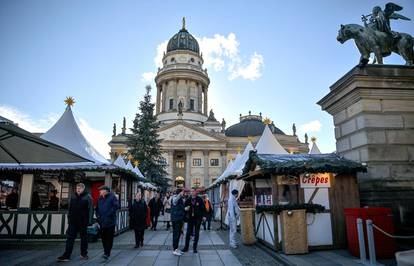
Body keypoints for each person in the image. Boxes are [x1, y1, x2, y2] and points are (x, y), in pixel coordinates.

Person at [57, 183, 93, 262]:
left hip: (83, 222)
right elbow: (70, 209)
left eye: (80, 188)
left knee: (84, 238)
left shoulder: (88, 197)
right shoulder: (73, 197)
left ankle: (84, 254)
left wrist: (89, 222)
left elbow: (90, 210)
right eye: (77, 188)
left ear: (83, 189)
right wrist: (69, 219)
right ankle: (66, 255)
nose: (78, 189)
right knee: (70, 238)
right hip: (73, 222)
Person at [96, 185, 119, 260]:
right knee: (103, 238)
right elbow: (97, 208)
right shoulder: (99, 199)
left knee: (109, 238)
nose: (99, 191)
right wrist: (98, 216)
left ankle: (107, 253)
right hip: (102, 222)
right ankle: (106, 251)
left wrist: (109, 213)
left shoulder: (112, 197)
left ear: (105, 191)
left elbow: (116, 206)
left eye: (101, 190)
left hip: (110, 222)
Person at [182, 189, 206, 254]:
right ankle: (186, 247)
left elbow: (203, 208)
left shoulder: (199, 199)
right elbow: (184, 208)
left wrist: (204, 216)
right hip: (190, 218)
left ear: (196, 192)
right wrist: (185, 209)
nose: (192, 192)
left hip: (198, 218)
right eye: (191, 191)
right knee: (188, 233)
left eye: (193, 191)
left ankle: (194, 248)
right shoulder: (188, 199)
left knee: (197, 233)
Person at [171, 188, 185, 256]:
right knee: (176, 235)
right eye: (182, 192)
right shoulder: (175, 197)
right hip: (176, 219)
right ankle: (174, 249)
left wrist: (185, 209)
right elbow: (174, 201)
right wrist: (179, 195)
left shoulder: (180, 198)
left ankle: (176, 249)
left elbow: (180, 207)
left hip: (179, 219)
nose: (183, 193)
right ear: (179, 193)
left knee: (178, 234)